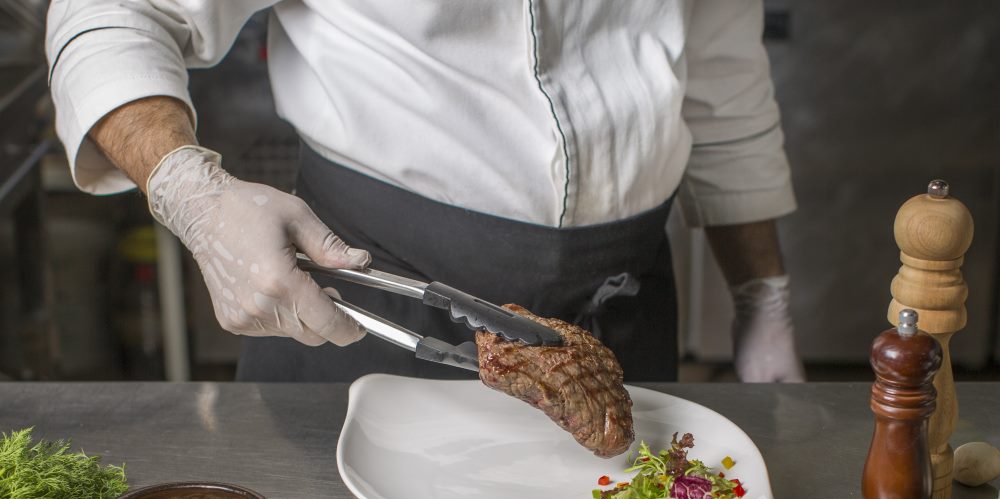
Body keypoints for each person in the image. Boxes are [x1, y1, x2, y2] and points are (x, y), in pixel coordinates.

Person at [45, 1, 805, 383]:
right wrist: (193, 196)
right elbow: (112, 12)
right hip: (368, 313)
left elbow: (718, 71)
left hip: (622, 326)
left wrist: (761, 298)